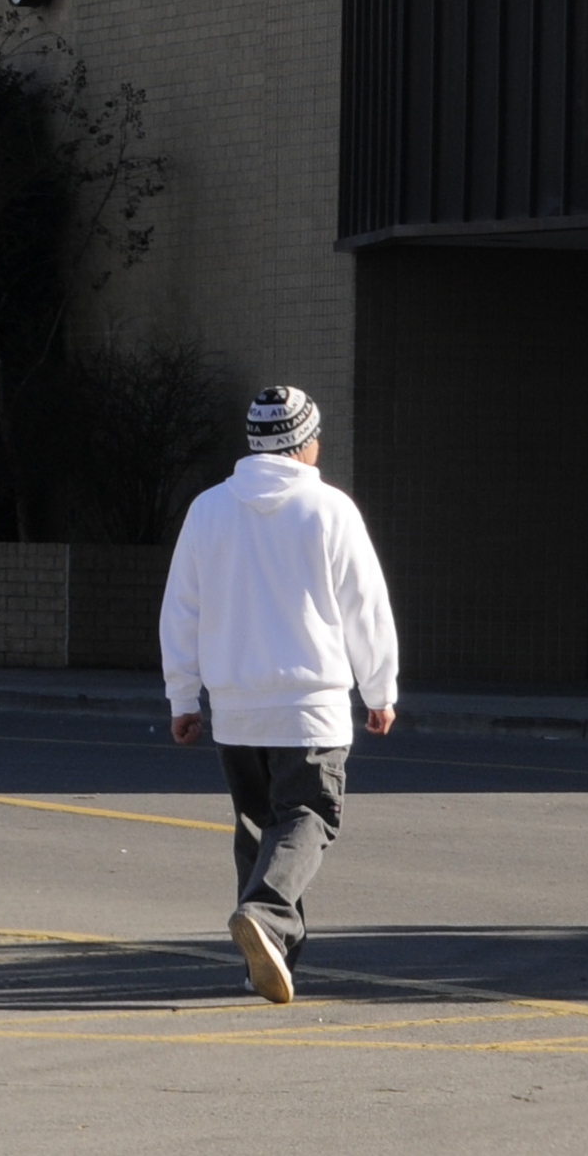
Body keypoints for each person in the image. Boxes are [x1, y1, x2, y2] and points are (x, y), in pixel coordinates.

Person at [158, 383, 401, 1006]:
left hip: (236, 709)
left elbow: (181, 610)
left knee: (258, 828)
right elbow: (365, 607)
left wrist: (183, 698)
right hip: (310, 705)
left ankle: (263, 964)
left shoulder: (209, 509)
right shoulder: (330, 510)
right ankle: (265, 918)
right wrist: (380, 688)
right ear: (303, 442)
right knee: (308, 818)